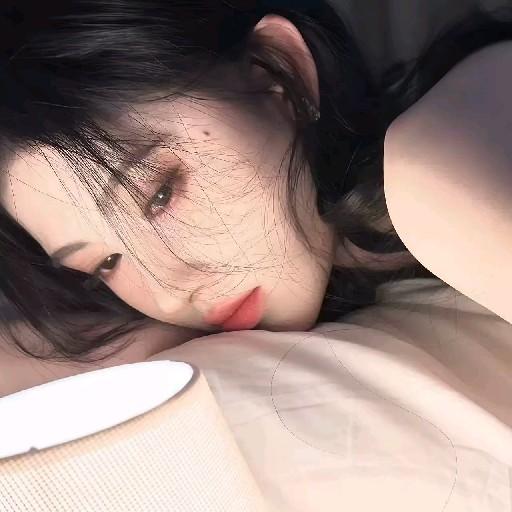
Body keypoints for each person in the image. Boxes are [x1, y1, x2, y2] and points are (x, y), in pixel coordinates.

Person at [0, 1, 510, 378]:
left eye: (159, 194)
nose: (170, 294)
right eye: (105, 264)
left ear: (276, 73)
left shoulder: (439, 149)